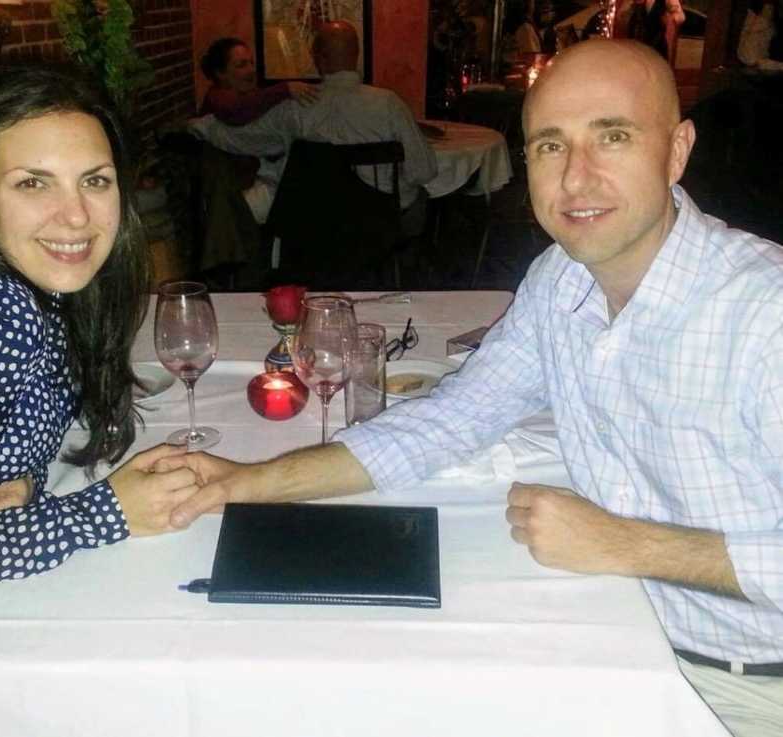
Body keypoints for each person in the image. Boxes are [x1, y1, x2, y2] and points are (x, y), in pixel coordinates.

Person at [170, 40, 783, 736]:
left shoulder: (766, 313)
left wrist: (626, 543)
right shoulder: (560, 281)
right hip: (620, 637)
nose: (577, 179)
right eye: (551, 146)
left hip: (752, 686)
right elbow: (450, 419)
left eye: (612, 136)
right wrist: (239, 483)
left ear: (676, 151)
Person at [0, 66, 197, 597]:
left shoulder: (18, 278)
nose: (76, 217)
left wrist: (13, 470)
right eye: (33, 182)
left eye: (94, 180)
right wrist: (106, 513)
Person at [189, 20, 437, 242]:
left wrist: (198, 126)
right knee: (419, 198)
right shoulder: (389, 103)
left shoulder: (295, 107)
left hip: (313, 221)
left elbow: (239, 138)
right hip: (378, 223)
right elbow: (424, 170)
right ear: (357, 55)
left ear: (318, 58)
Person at [199, 37, 319, 126]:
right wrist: (285, 89)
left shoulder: (251, 94)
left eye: (252, 63)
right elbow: (237, 110)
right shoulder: (217, 97)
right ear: (220, 73)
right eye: (241, 65)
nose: (252, 70)